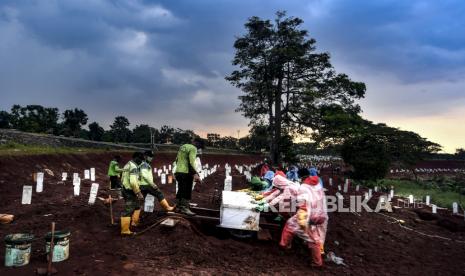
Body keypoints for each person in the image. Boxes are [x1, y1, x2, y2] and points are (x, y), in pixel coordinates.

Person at [279, 168, 328, 267]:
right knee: (315, 237)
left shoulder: (303, 187)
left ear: (300, 177)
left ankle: (285, 246)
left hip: (309, 215)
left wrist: (302, 220)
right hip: (322, 214)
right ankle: (317, 261)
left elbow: (304, 204)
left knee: (290, 225)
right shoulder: (317, 183)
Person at [136, 151, 175, 225]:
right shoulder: (144, 164)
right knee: (159, 193)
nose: (151, 158)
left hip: (142, 185)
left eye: (152, 156)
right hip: (147, 185)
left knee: (140, 202)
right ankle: (168, 208)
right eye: (150, 156)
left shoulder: (144, 164)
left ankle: (135, 220)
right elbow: (144, 175)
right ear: (145, 156)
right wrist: (152, 184)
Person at [174, 138, 205, 216]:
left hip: (178, 172)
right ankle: (185, 208)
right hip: (186, 172)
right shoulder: (193, 148)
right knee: (187, 190)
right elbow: (191, 163)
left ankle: (178, 207)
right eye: (199, 146)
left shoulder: (183, 146)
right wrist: (195, 174)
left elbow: (177, 160)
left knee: (181, 189)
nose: (198, 148)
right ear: (196, 143)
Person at [120, 152, 145, 236]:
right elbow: (133, 182)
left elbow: (122, 176)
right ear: (136, 157)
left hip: (125, 189)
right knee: (129, 209)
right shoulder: (133, 167)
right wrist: (139, 193)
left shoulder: (128, 164)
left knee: (137, 206)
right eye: (140, 159)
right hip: (130, 191)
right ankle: (125, 230)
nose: (141, 161)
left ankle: (134, 222)